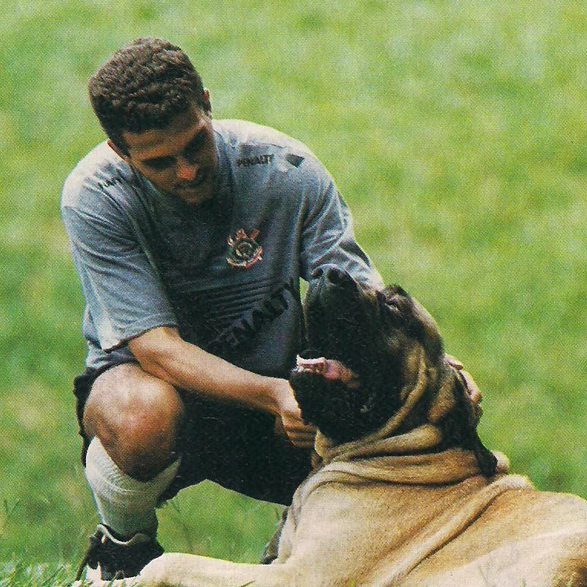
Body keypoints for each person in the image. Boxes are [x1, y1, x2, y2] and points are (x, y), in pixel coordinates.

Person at [61, 37, 382, 581]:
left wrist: (438, 367)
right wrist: (274, 394)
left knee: (385, 432)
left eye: (195, 145)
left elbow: (359, 302)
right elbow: (156, 350)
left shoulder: (288, 170)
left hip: (284, 404)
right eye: (160, 162)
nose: (186, 172)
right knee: (137, 413)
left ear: (206, 103)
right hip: (171, 396)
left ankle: (303, 550)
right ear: (120, 151)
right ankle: (123, 549)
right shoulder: (96, 196)